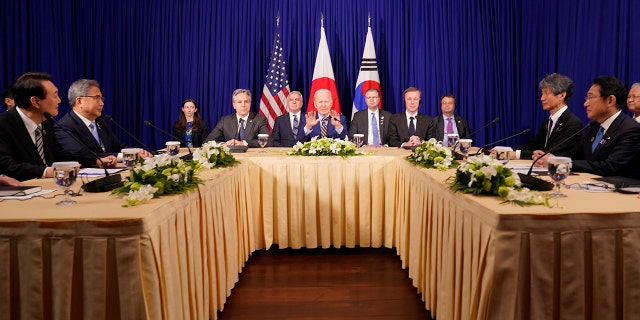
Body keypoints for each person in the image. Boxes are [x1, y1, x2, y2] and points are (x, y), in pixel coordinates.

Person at [0, 72, 115, 181]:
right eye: (55, 95)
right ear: (35, 101)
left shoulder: (45, 123)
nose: (59, 100)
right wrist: (46, 171)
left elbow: (60, 155)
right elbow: (6, 165)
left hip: (47, 189)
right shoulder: (4, 124)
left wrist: (95, 161)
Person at [537, 76, 640, 179]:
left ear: (610, 100)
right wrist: (553, 159)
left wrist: (564, 164)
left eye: (590, 97)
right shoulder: (594, 126)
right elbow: (577, 155)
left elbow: (610, 167)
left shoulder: (631, 130)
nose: (585, 104)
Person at [55, 79, 152, 160]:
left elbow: (118, 147)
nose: (102, 103)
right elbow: (82, 154)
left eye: (101, 98)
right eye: (97, 98)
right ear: (79, 101)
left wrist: (137, 152)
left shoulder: (100, 122)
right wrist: (128, 156)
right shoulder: (64, 126)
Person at [511, 73, 583, 160]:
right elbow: (532, 146)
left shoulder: (573, 123)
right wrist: (507, 151)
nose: (542, 98)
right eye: (542, 93)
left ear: (561, 95)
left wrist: (518, 154)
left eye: (546, 93)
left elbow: (552, 152)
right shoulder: (547, 123)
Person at [205, 89, 269, 147]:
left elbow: (269, 141)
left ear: (250, 104)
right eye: (239, 102)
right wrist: (224, 144)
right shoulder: (225, 121)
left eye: (246, 102)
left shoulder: (259, 119)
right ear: (234, 105)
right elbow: (208, 141)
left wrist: (243, 143)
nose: (243, 105)